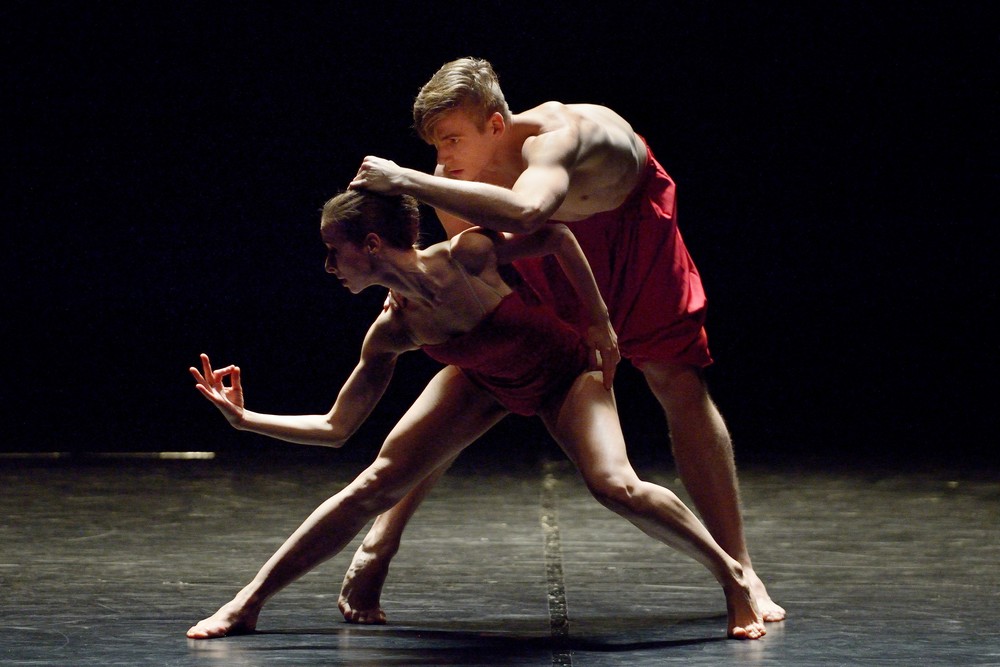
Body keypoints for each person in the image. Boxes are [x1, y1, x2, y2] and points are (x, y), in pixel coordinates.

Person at [185, 190, 765, 640]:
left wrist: (599, 322)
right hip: (483, 382)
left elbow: (558, 237)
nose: (328, 265)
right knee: (373, 485)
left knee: (615, 486)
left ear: (371, 244)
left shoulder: (467, 255)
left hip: (566, 375)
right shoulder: (392, 330)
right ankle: (247, 603)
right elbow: (337, 428)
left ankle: (733, 576)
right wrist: (246, 419)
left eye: (334, 251)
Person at [343, 56, 785, 624]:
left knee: (674, 376)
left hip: (631, 229)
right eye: (434, 144)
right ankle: (381, 539)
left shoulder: (558, 136)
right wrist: (412, 284)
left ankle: (741, 566)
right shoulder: (453, 179)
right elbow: (466, 271)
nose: (442, 159)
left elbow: (530, 210)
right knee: (487, 366)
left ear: (495, 125)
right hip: (547, 244)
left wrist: (404, 177)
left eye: (452, 140)